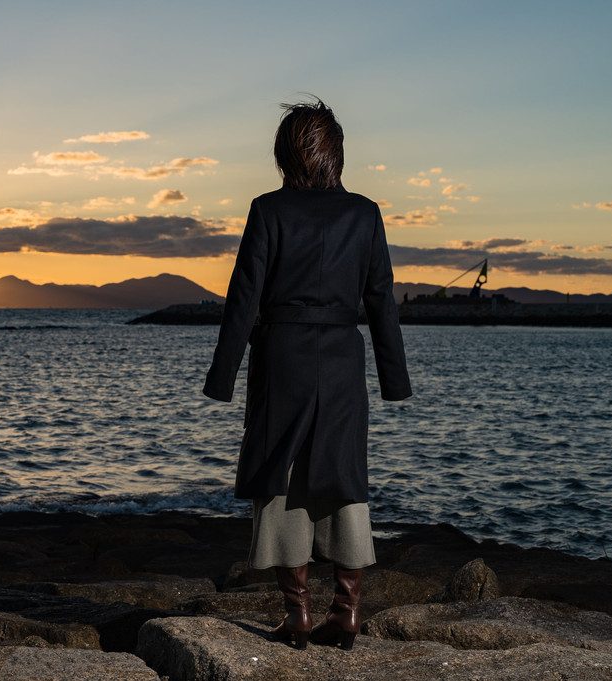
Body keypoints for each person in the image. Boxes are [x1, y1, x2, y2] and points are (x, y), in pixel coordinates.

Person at [203, 98, 412, 651]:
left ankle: (297, 616)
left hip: (283, 359)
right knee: (344, 478)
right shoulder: (365, 213)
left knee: (279, 477)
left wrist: (221, 377)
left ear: (284, 152)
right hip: (343, 361)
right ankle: (346, 614)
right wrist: (396, 380)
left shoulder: (268, 210)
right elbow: (381, 301)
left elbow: (243, 298)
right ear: (335, 153)